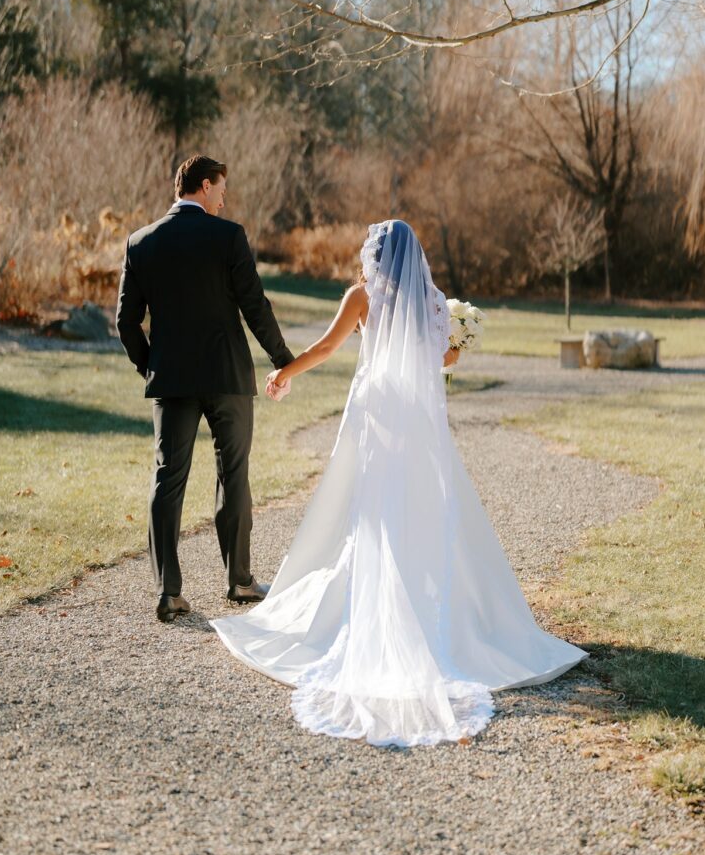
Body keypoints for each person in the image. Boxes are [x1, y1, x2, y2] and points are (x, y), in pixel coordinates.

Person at [210, 219, 586, 747]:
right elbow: (445, 357)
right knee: (424, 509)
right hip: (418, 426)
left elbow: (324, 348)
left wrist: (284, 374)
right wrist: (458, 338)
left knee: (368, 513)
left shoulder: (361, 298)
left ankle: (369, 607)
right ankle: (442, 613)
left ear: (375, 258)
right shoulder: (431, 303)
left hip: (375, 419)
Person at [116, 155, 295, 623]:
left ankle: (168, 592)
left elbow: (125, 321)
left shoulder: (141, 242)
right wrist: (284, 361)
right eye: (220, 188)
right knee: (233, 473)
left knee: (167, 479)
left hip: (172, 380)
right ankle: (239, 580)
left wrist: (150, 366)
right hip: (227, 376)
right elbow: (254, 304)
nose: (224, 197)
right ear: (203, 184)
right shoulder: (228, 236)